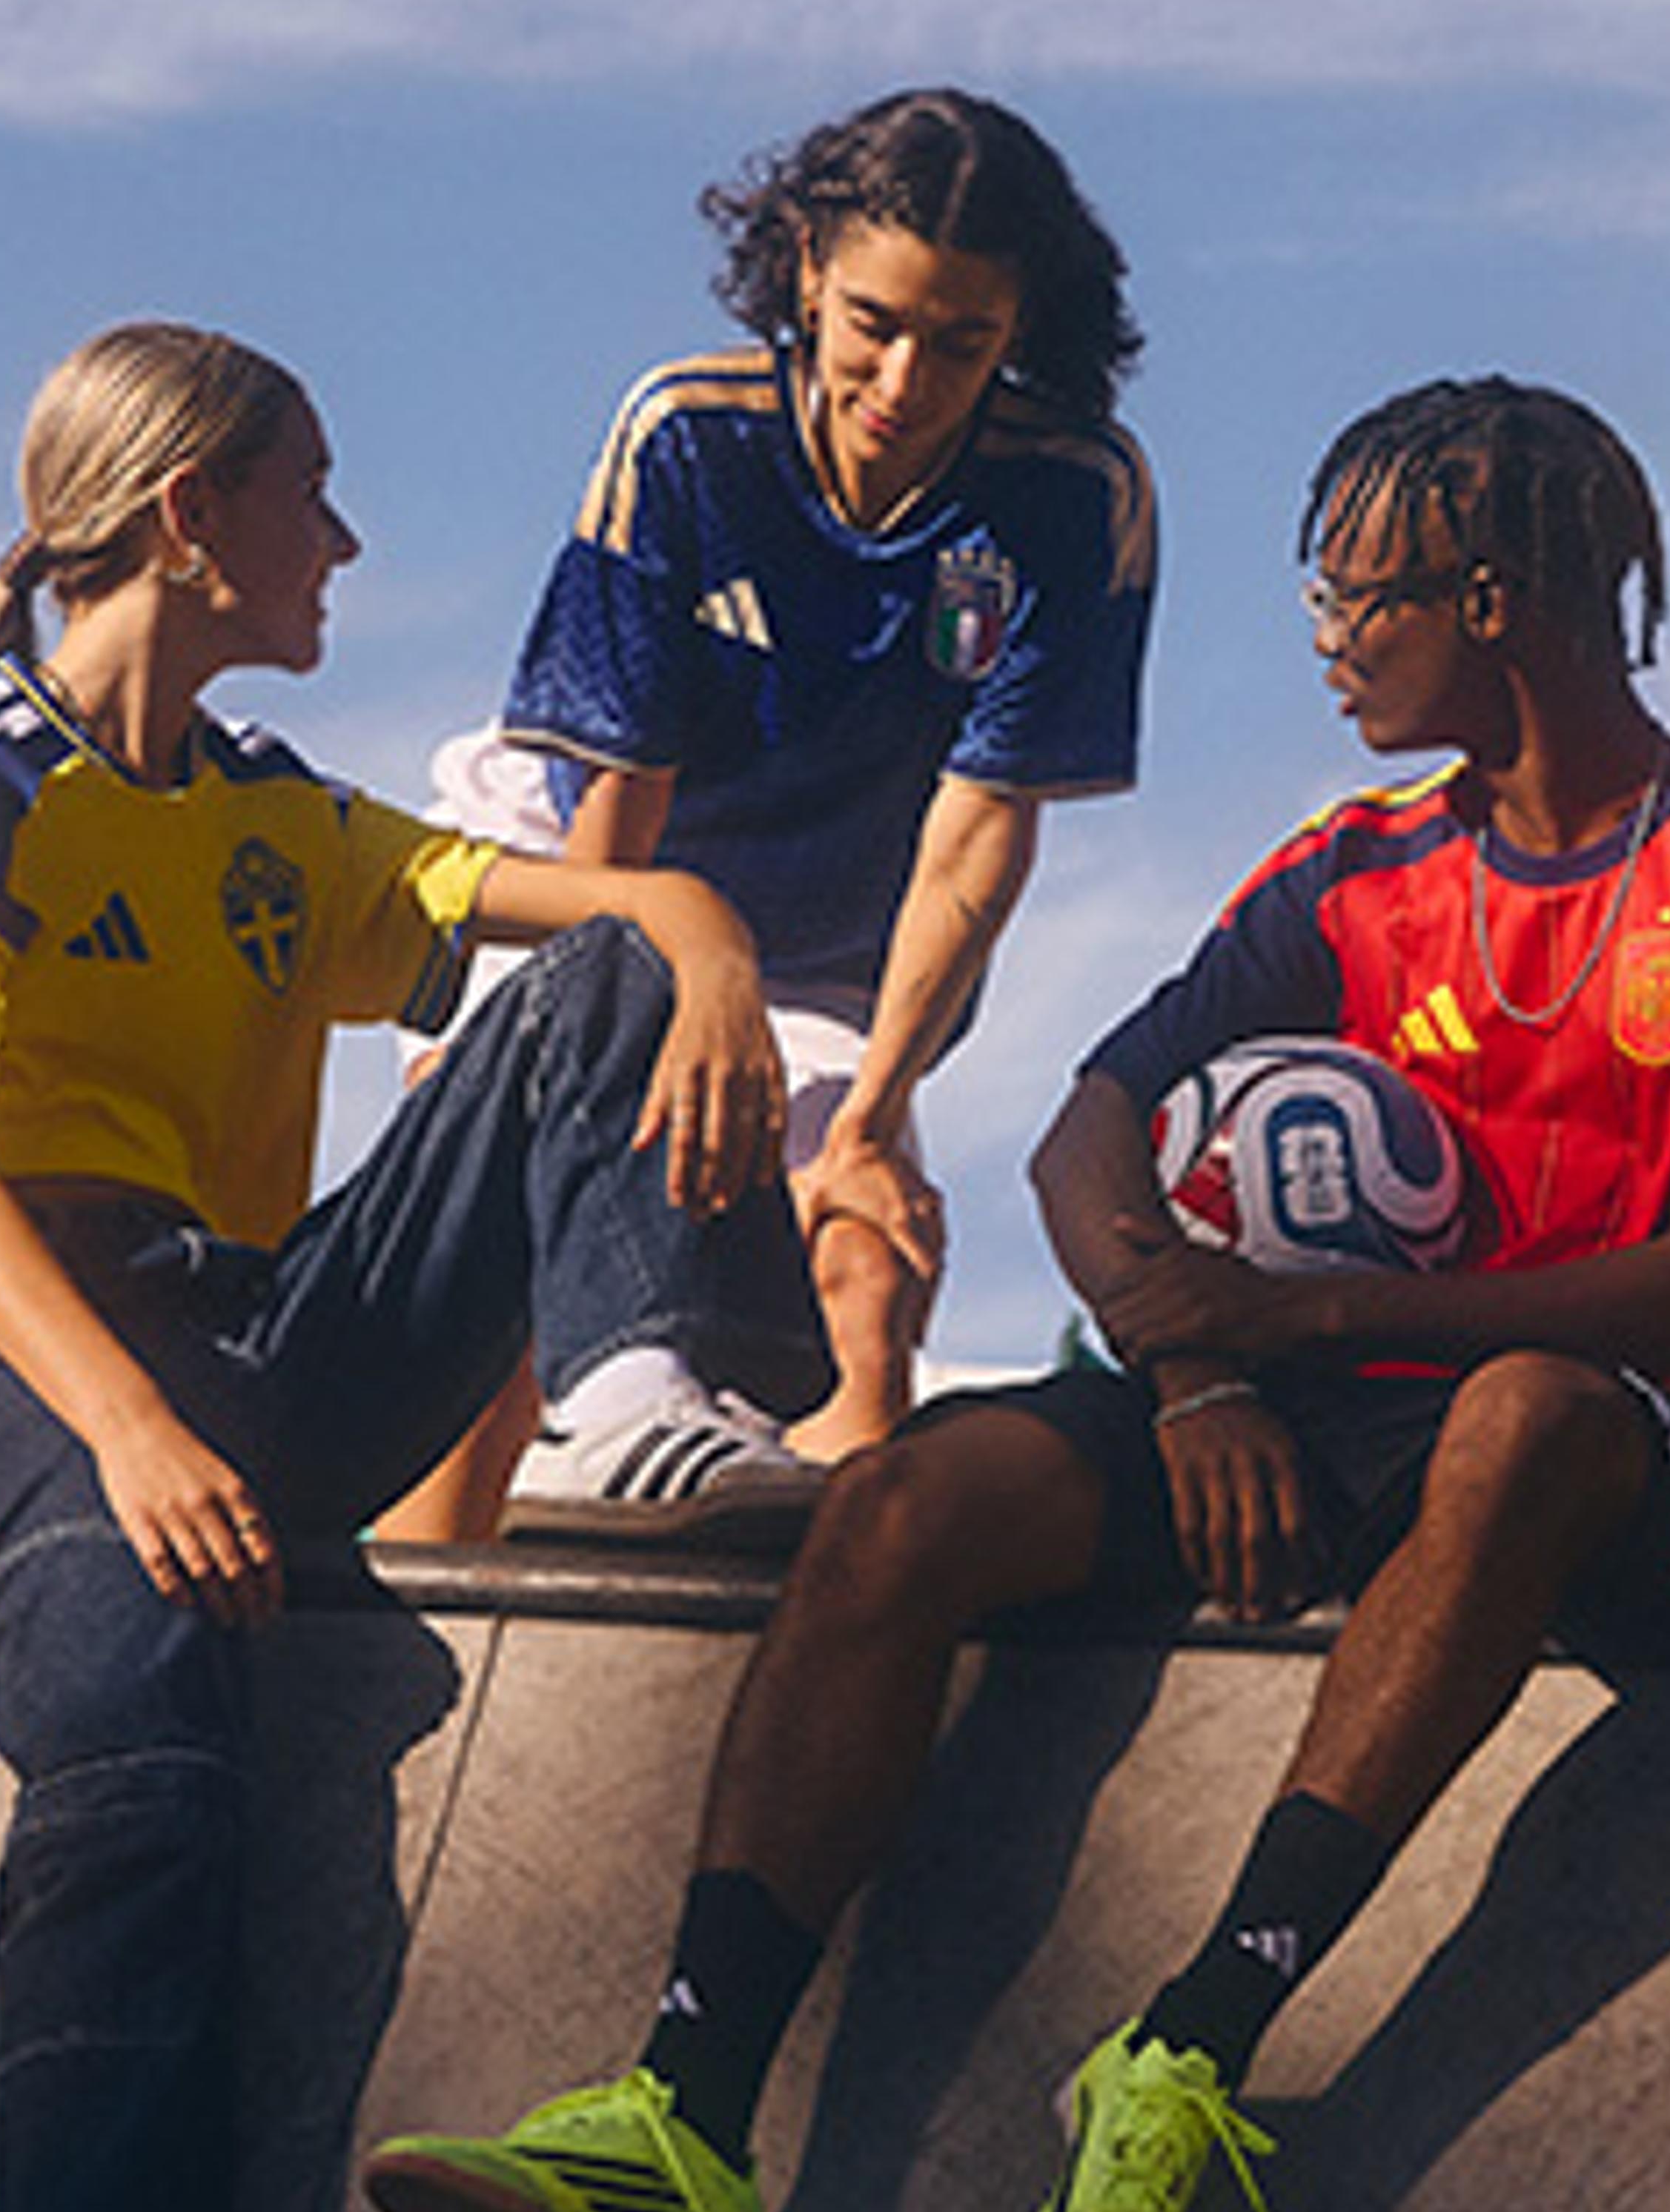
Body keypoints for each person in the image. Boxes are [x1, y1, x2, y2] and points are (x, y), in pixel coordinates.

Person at [361, 377, 1670, 2212]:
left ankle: (1188, 2049)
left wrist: (1298, 1331)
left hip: (1622, 1455)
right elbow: (1090, 1138)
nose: (1330, 641)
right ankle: (679, 2114)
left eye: (1365, 600)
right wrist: (1195, 1380)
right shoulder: (1347, 871)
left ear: (1499, 602)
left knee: (1526, 1413)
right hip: (1283, 1389)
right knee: (907, 1496)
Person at [0, 322, 833, 2212]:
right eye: (314, 495)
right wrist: (123, 1427)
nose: (347, 544)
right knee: (149, 1738)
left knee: (621, 962)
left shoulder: (277, 817)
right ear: (193, 519)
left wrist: (707, 925)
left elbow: (578, 919)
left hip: (262, 1339)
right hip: (2, 1328)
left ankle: (641, 1384)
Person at [376, 87, 1155, 1539]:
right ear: (805, 265)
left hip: (834, 939)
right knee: (511, 1302)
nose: (906, 379)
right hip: (599, 880)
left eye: (963, 342)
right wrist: (576, 1067)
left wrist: (873, 1113)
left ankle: (823, 1661)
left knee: (867, 1260)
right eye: (874, 323)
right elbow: (619, 805)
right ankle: (398, 1671)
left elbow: (978, 843)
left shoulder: (1072, 494)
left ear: (1023, 328)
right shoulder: (690, 439)